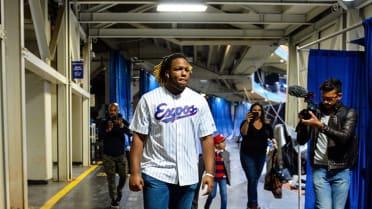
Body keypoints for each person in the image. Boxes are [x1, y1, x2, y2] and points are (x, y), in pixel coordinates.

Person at [128, 52, 217, 209]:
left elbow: (206, 138)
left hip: (188, 175)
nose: (184, 73)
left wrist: (209, 172)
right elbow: (139, 137)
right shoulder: (149, 100)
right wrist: (135, 172)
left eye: (187, 69)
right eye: (178, 69)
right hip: (156, 173)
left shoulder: (198, 101)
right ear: (167, 73)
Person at [296, 78, 357, 209]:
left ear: (339, 96)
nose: (325, 101)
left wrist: (320, 125)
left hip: (341, 169)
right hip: (319, 169)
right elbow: (301, 140)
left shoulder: (349, 113)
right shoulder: (315, 111)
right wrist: (302, 123)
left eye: (329, 98)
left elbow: (344, 138)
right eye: (323, 98)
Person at [240, 102, 273, 209]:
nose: (257, 112)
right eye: (254, 110)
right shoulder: (245, 122)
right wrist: (247, 122)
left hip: (261, 155)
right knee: (252, 178)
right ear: (251, 111)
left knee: (254, 179)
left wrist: (274, 144)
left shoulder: (267, 125)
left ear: (262, 112)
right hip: (247, 155)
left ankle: (250, 204)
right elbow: (243, 133)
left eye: (259, 110)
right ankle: (254, 205)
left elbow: (271, 138)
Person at [98, 103, 131, 208]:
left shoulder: (122, 121)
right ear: (108, 111)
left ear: (117, 111)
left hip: (120, 154)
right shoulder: (104, 122)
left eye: (114, 110)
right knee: (111, 178)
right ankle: (114, 200)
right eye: (111, 110)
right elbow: (100, 136)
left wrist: (121, 126)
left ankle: (119, 189)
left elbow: (130, 131)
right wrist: (108, 130)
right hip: (108, 155)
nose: (112, 112)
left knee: (124, 175)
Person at [204, 134, 231, 209]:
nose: (225, 143)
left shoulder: (226, 153)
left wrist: (228, 177)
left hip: (222, 178)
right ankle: (206, 206)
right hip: (214, 178)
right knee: (212, 194)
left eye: (224, 141)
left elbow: (227, 167)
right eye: (222, 142)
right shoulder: (211, 154)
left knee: (224, 195)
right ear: (216, 144)